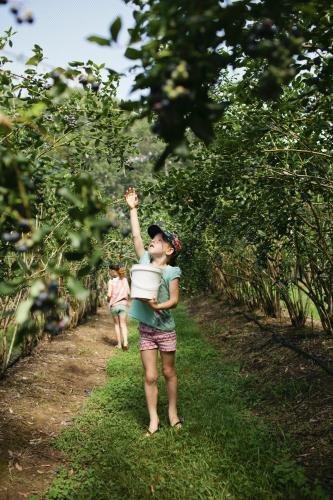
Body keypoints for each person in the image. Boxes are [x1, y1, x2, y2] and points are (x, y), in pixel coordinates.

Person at [125, 187, 183, 436]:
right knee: (150, 376)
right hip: (147, 330)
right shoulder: (144, 262)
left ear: (169, 251)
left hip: (165, 329)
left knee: (168, 372)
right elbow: (137, 238)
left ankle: (172, 413)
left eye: (159, 240)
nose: (152, 241)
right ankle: (153, 419)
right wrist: (133, 209)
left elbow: (174, 300)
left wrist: (157, 306)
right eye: (153, 239)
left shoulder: (171, 272)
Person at [107, 263, 131, 351]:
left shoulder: (111, 281)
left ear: (113, 271)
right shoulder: (124, 280)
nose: (109, 272)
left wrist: (108, 300)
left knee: (117, 325)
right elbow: (128, 293)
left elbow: (109, 295)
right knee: (123, 325)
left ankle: (119, 344)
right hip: (123, 305)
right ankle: (125, 342)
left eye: (109, 270)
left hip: (114, 306)